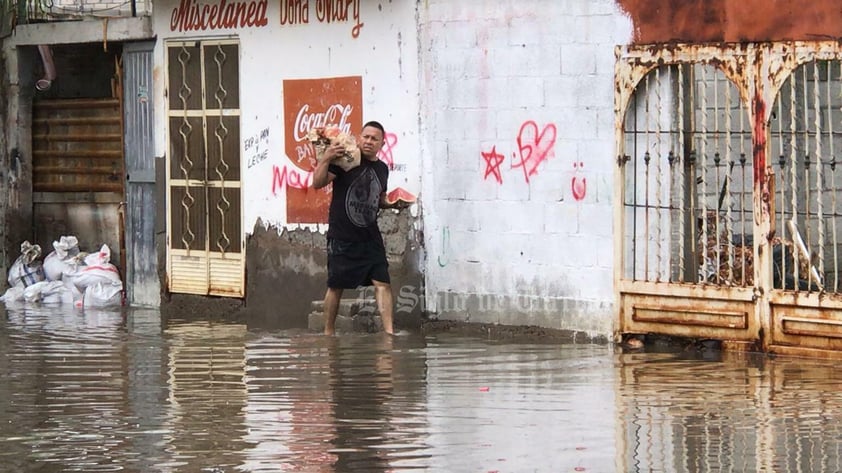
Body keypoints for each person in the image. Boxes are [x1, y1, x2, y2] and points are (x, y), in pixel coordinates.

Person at [312, 121, 406, 335]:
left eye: (374, 139)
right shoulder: (347, 159)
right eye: (365, 137)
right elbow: (317, 183)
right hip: (342, 234)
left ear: (382, 144)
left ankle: (390, 333)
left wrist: (393, 203)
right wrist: (326, 157)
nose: (369, 142)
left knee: (383, 283)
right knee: (336, 285)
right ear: (359, 137)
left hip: (370, 236)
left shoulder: (382, 169)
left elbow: (378, 198)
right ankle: (329, 333)